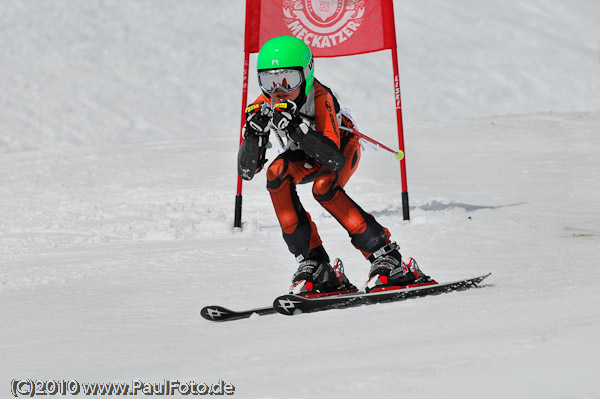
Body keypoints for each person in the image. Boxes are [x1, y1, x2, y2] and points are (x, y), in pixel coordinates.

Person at [238, 36, 433, 295]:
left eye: (287, 80)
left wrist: (295, 127)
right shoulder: (264, 104)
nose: (278, 90)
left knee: (324, 186)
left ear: (306, 75)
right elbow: (246, 172)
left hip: (342, 146)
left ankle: (385, 255)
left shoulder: (320, 96)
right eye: (269, 81)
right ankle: (314, 262)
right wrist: (253, 136)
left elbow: (332, 158)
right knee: (276, 174)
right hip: (305, 152)